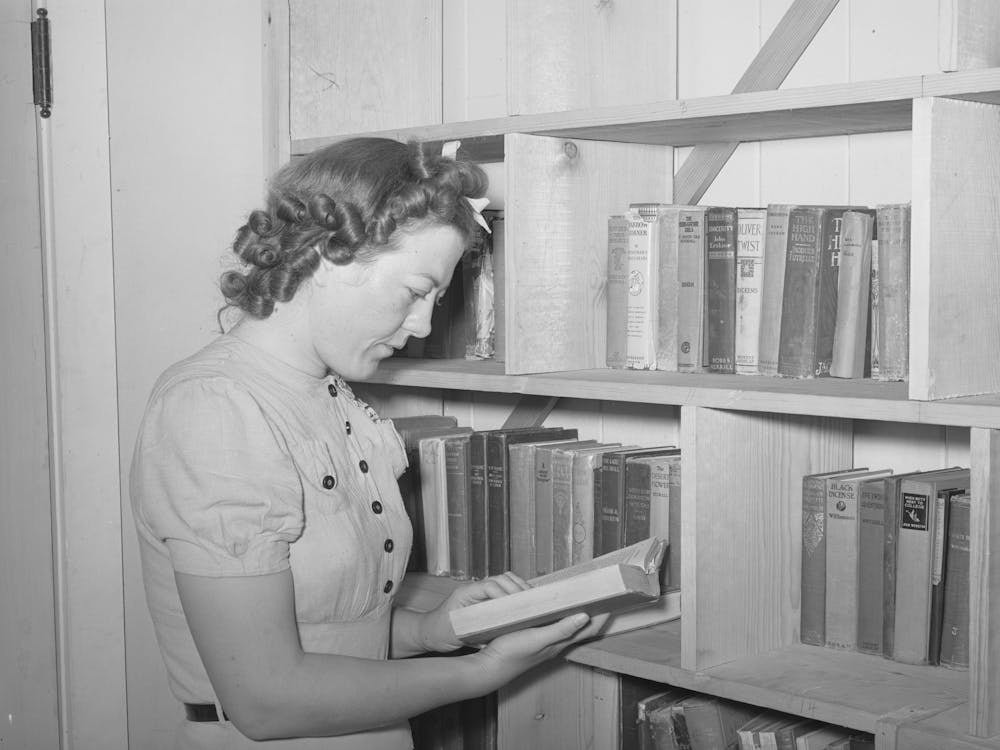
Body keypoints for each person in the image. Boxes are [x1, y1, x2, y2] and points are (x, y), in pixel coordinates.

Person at [130, 137, 597, 749]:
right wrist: (480, 673)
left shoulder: (332, 394)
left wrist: (433, 630)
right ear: (328, 256)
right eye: (416, 291)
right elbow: (265, 701)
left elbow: (325, 629)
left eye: (436, 300)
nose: (423, 325)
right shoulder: (215, 408)